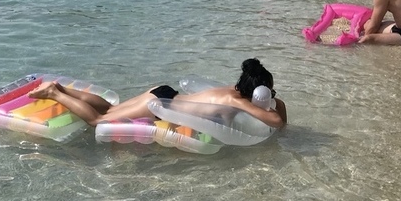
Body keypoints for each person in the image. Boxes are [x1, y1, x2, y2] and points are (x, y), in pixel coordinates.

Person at [27, 58, 287, 128]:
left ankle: (62, 88)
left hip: (163, 93)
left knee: (109, 108)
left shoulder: (233, 90)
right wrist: (278, 102)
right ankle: (55, 93)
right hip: (161, 105)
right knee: (98, 121)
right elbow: (277, 122)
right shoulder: (236, 101)